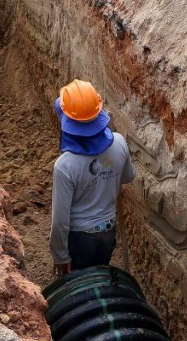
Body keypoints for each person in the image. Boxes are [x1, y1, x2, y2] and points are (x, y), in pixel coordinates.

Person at [50, 79, 135, 277]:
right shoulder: (119, 142)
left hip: (79, 239)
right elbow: (128, 177)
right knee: (100, 275)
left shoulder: (65, 165)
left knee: (80, 285)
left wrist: (60, 256)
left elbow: (60, 220)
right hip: (108, 231)